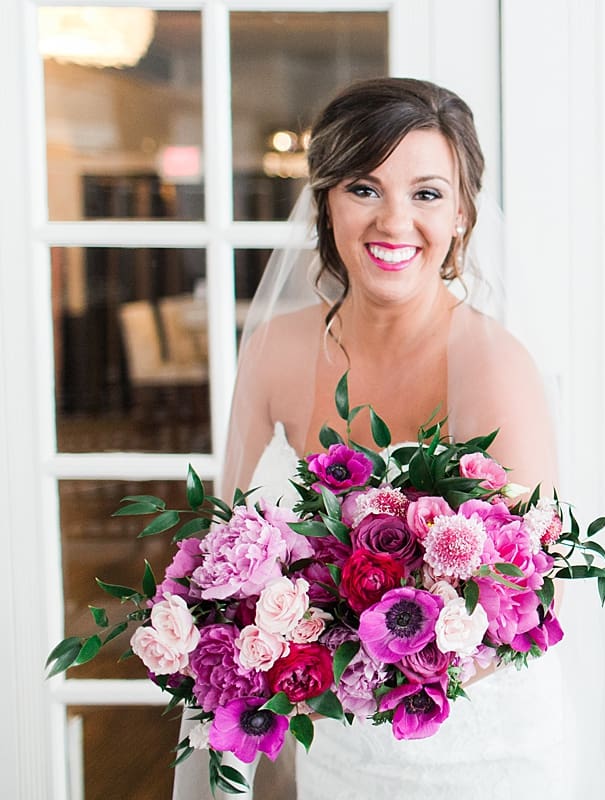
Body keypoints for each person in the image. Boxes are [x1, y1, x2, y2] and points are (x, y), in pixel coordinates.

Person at [175, 77, 567, 799]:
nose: (394, 222)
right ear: (325, 201)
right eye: (364, 187)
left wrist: (364, 653)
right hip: (338, 753)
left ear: (462, 214)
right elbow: (215, 554)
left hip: (478, 755)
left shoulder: (491, 363)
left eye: (425, 194)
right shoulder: (273, 350)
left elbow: (530, 603)